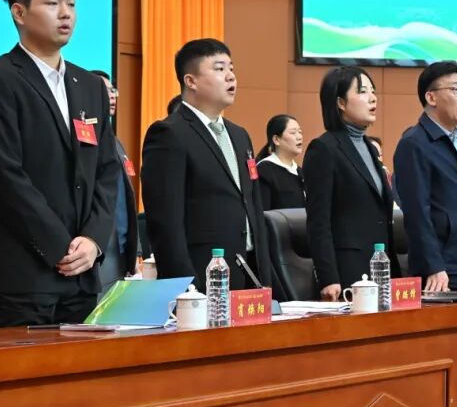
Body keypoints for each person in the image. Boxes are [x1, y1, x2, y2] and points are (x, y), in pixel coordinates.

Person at [0, 0, 119, 327]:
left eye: (71, 3)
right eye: (52, 3)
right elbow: (4, 176)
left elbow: (105, 169)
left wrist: (93, 241)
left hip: (82, 275)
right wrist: (59, 248)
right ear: (19, 12)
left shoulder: (90, 86)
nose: (66, 13)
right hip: (22, 278)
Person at [141, 38, 272, 293]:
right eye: (219, 68)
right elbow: (165, 222)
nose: (231, 76)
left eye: (231, 68)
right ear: (191, 81)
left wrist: (265, 277)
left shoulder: (239, 135)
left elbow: (253, 205)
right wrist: (184, 288)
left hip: (249, 274)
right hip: (202, 277)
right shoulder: (169, 133)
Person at [304, 67, 400, 299]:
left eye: (373, 91)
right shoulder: (324, 149)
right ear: (340, 102)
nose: (373, 98)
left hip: (381, 268)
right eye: (363, 91)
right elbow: (318, 221)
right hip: (348, 271)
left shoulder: (369, 148)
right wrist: (328, 277)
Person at [393, 61, 457, 291]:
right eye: (455, 89)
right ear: (431, 97)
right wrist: (433, 265)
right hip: (442, 271)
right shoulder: (414, 143)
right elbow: (416, 211)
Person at [90, 70, 139, 296]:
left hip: (121, 250)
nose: (111, 96)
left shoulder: (116, 142)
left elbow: (126, 201)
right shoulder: (83, 141)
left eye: (113, 91)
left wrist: (136, 249)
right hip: (96, 248)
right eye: (104, 90)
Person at [256, 114, 305, 210]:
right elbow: (263, 212)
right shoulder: (264, 170)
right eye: (293, 133)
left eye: (300, 132)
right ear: (276, 139)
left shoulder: (300, 172)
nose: (299, 137)